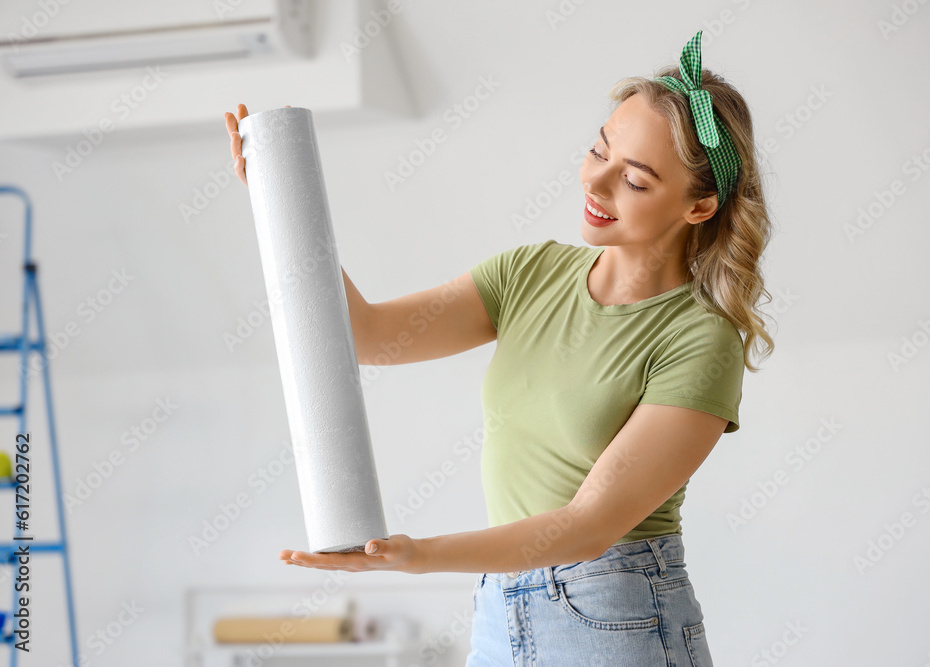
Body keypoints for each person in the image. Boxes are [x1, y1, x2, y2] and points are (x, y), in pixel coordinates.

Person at [224, 29, 774, 666]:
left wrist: (417, 556)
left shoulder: (700, 340)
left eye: (636, 181)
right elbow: (368, 337)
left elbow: (587, 527)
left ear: (700, 205)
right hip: (500, 606)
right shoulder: (530, 273)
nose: (596, 183)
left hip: (619, 613)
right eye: (598, 151)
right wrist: (275, 202)